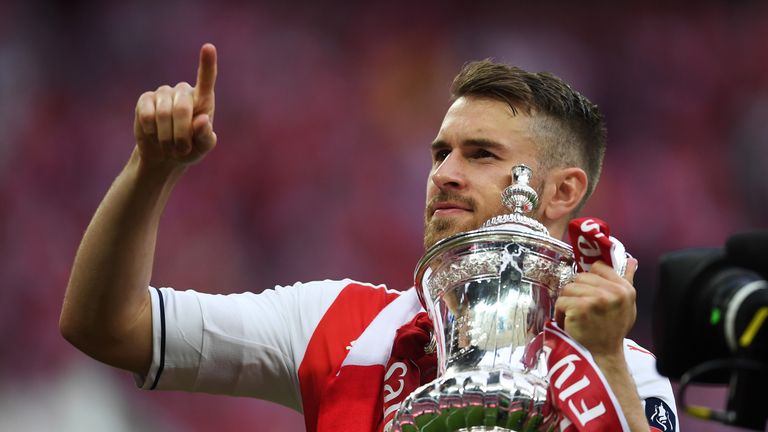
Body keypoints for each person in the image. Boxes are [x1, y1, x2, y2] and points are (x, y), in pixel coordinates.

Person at [60, 43, 678, 431]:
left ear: (562, 192)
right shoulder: (339, 324)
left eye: (481, 154)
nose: (443, 175)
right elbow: (107, 326)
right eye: (441, 153)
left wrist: (606, 367)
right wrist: (152, 171)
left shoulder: (625, 372)